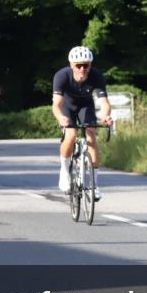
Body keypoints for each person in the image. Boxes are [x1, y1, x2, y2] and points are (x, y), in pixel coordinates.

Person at [52, 46, 113, 199]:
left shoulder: (96, 76)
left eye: (85, 65)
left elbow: (104, 103)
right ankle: (65, 171)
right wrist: (61, 118)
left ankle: (93, 185)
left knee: (91, 134)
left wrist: (105, 116)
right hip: (67, 106)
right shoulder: (62, 76)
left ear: (90, 65)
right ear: (71, 65)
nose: (82, 69)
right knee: (71, 135)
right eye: (78, 65)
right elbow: (56, 104)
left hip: (86, 106)